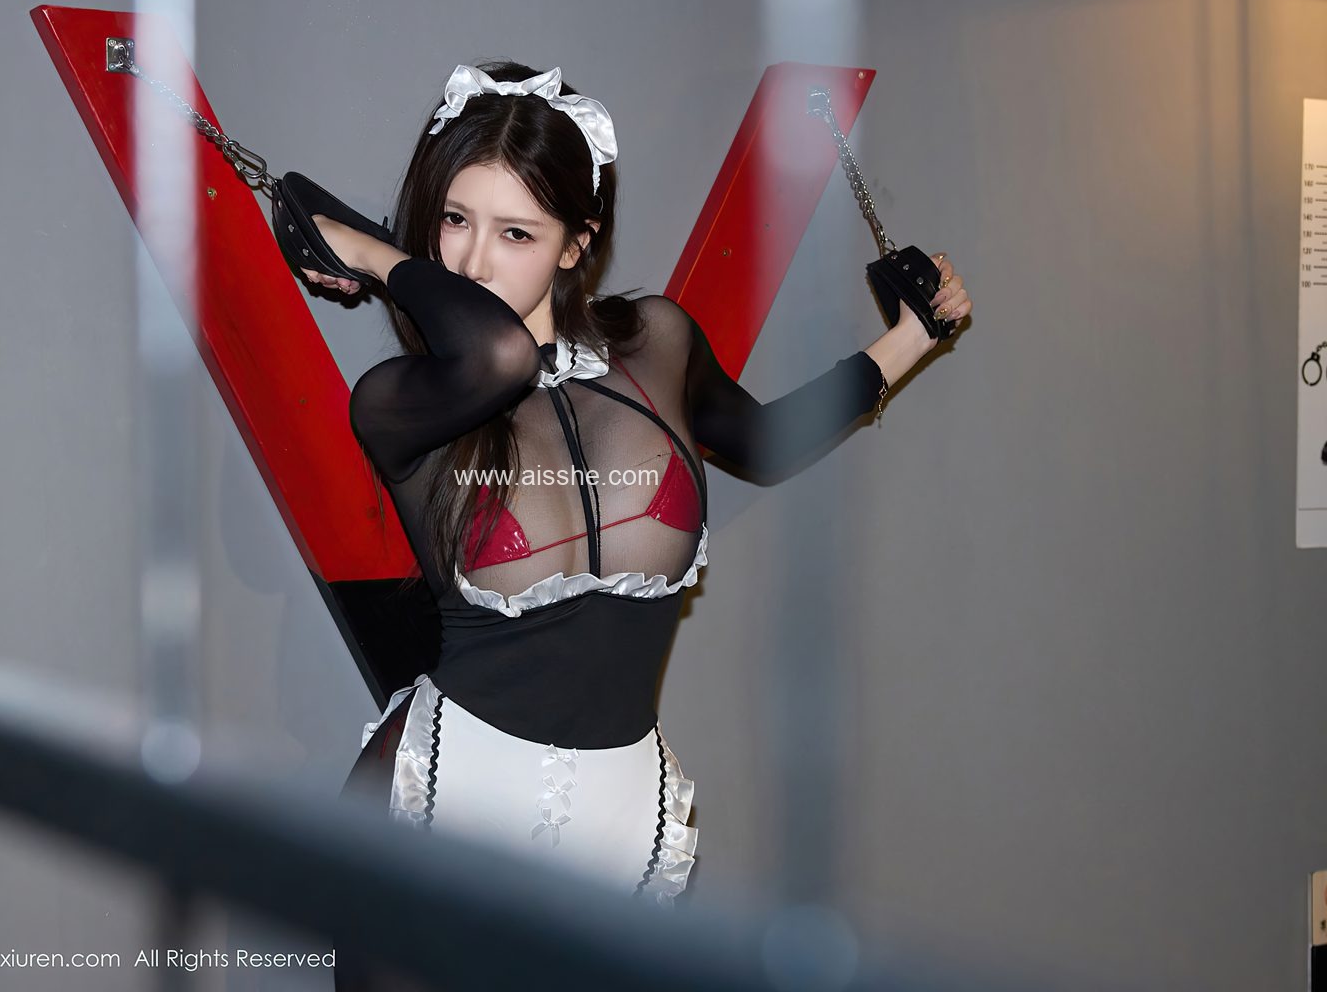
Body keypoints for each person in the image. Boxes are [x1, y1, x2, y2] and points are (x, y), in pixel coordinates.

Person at [305, 61, 972, 990]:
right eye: (454, 221)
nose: (471, 261)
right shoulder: (397, 401)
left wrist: (912, 336)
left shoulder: (656, 342)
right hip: (440, 806)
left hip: (625, 820)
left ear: (577, 244)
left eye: (516, 232)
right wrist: (373, 254)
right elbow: (499, 356)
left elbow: (766, 440)